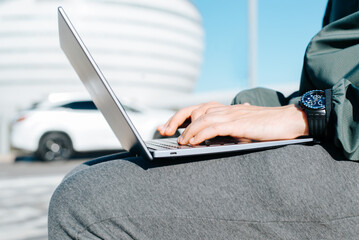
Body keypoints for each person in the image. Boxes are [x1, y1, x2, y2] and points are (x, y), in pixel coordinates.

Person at [48, 0, 359, 239]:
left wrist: (314, 114)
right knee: (84, 176)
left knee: (86, 205)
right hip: (333, 132)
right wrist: (243, 110)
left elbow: (331, 103)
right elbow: (333, 85)